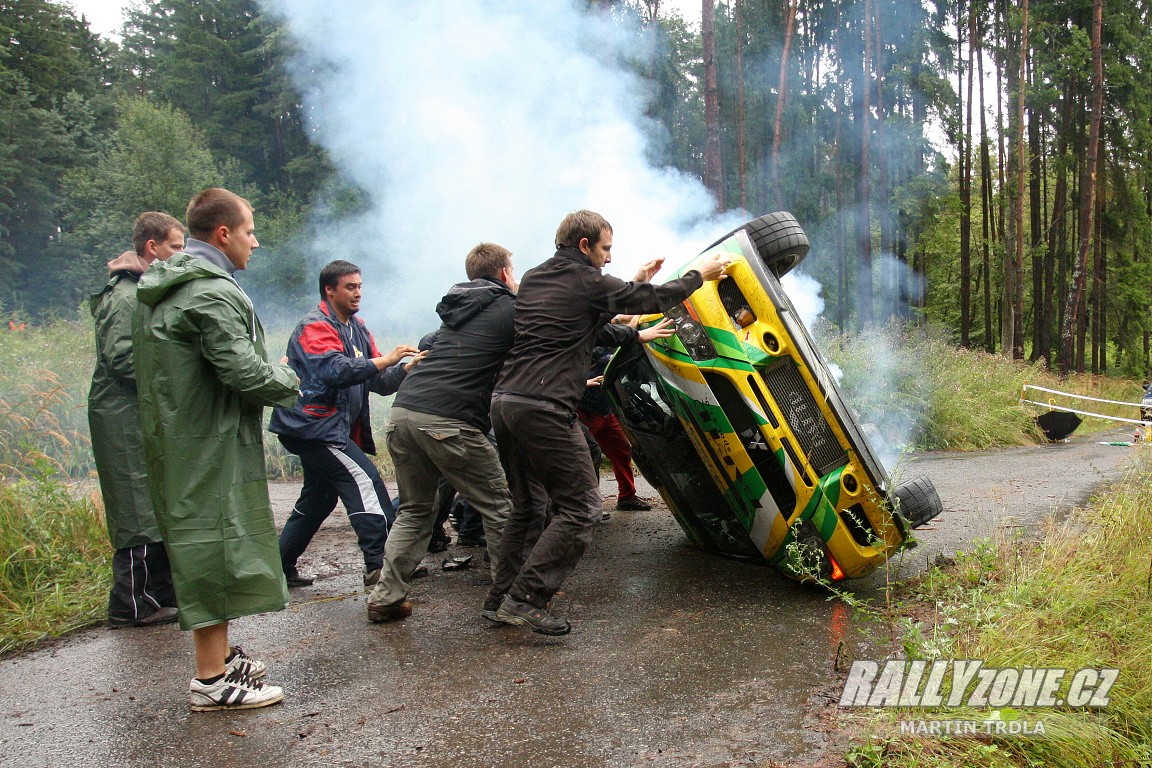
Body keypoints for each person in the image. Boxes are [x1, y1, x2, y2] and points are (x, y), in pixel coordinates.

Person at [489, 210, 730, 635]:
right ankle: (525, 599)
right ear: (584, 246)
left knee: (527, 505)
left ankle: (499, 599)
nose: (607, 259)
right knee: (580, 506)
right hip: (545, 406)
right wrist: (699, 274)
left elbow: (589, 326)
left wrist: (635, 332)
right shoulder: (586, 280)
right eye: (605, 250)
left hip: (506, 402)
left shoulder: (536, 279)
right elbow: (652, 300)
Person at [134, 188, 300, 711]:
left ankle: (221, 656)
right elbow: (240, 369)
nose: (256, 241)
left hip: (188, 434)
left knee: (210, 535)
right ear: (223, 234)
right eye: (250, 231)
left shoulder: (168, 285)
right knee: (208, 539)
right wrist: (290, 379)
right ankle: (210, 679)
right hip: (205, 439)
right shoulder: (208, 291)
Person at [366, 243, 518, 623]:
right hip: (448, 422)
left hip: (403, 414)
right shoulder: (507, 308)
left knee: (415, 509)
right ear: (503, 274)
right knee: (499, 507)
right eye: (513, 271)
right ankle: (509, 599)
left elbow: (428, 346)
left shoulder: (456, 312)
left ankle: (385, 597)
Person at [269, 260, 421, 590]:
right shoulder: (315, 326)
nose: (357, 293)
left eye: (360, 287)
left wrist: (408, 369)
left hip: (326, 429)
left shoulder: (358, 328)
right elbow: (335, 371)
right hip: (311, 428)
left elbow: (377, 380)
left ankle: (277, 568)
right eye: (350, 287)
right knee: (365, 481)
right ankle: (380, 566)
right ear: (330, 290)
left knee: (319, 499)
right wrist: (387, 359)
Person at [88, 211, 185, 629]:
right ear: (153, 248)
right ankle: (130, 604)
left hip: (140, 414)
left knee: (156, 502)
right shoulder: (126, 296)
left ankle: (158, 595)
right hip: (122, 418)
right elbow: (123, 358)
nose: (181, 256)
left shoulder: (143, 289)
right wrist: (174, 380)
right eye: (176, 248)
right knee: (136, 507)